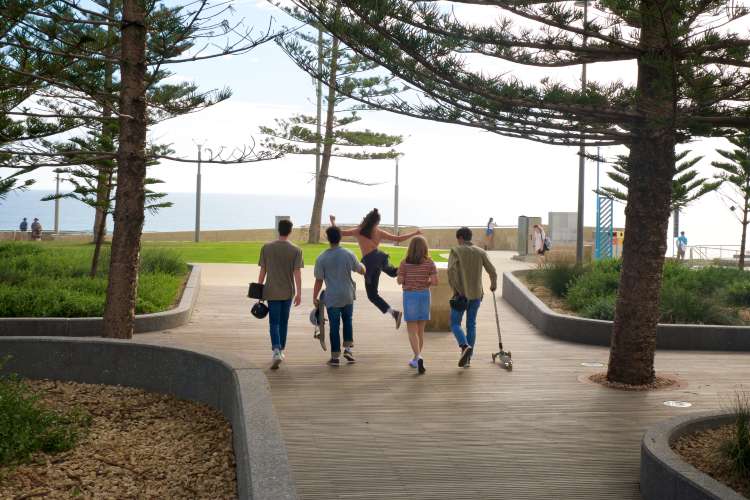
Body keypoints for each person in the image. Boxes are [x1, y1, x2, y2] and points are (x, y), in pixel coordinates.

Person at [329, 209, 421, 329]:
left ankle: (394, 313)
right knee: (393, 272)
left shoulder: (359, 230)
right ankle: (412, 267)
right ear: (376, 222)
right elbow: (397, 239)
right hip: (379, 257)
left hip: (370, 263)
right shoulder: (378, 231)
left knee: (372, 295)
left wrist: (333, 222)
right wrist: (414, 233)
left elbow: (339, 233)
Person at [313, 226, 366, 366]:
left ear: (327, 238)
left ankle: (335, 356)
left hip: (332, 297)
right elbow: (361, 270)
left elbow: (319, 280)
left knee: (334, 326)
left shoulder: (321, 258)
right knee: (348, 320)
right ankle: (348, 349)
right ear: (340, 237)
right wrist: (362, 265)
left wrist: (315, 297)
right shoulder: (349, 254)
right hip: (348, 294)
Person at [448, 226, 498, 368]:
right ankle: (468, 359)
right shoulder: (480, 252)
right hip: (476, 294)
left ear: (461, 238)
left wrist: (457, 289)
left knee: (455, 323)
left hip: (460, 295)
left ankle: (464, 346)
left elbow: (451, 271)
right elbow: (492, 271)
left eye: (458, 239)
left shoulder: (456, 251)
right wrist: (493, 285)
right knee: (471, 324)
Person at [257, 219, 303, 369]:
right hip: (288, 292)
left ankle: (276, 349)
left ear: (278, 230)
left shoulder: (266, 248)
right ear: (290, 231)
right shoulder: (296, 250)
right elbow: (297, 273)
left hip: (271, 291)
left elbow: (263, 271)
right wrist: (299, 293)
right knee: (284, 322)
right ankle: (281, 350)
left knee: (273, 322)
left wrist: (259, 290)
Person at [397, 236, 438, 374]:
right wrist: (425, 282)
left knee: (412, 331)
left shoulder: (404, 263)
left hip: (410, 297)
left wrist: (405, 279)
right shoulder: (430, 262)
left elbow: (399, 280)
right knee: (420, 331)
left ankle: (418, 356)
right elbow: (435, 281)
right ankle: (416, 358)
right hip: (424, 296)